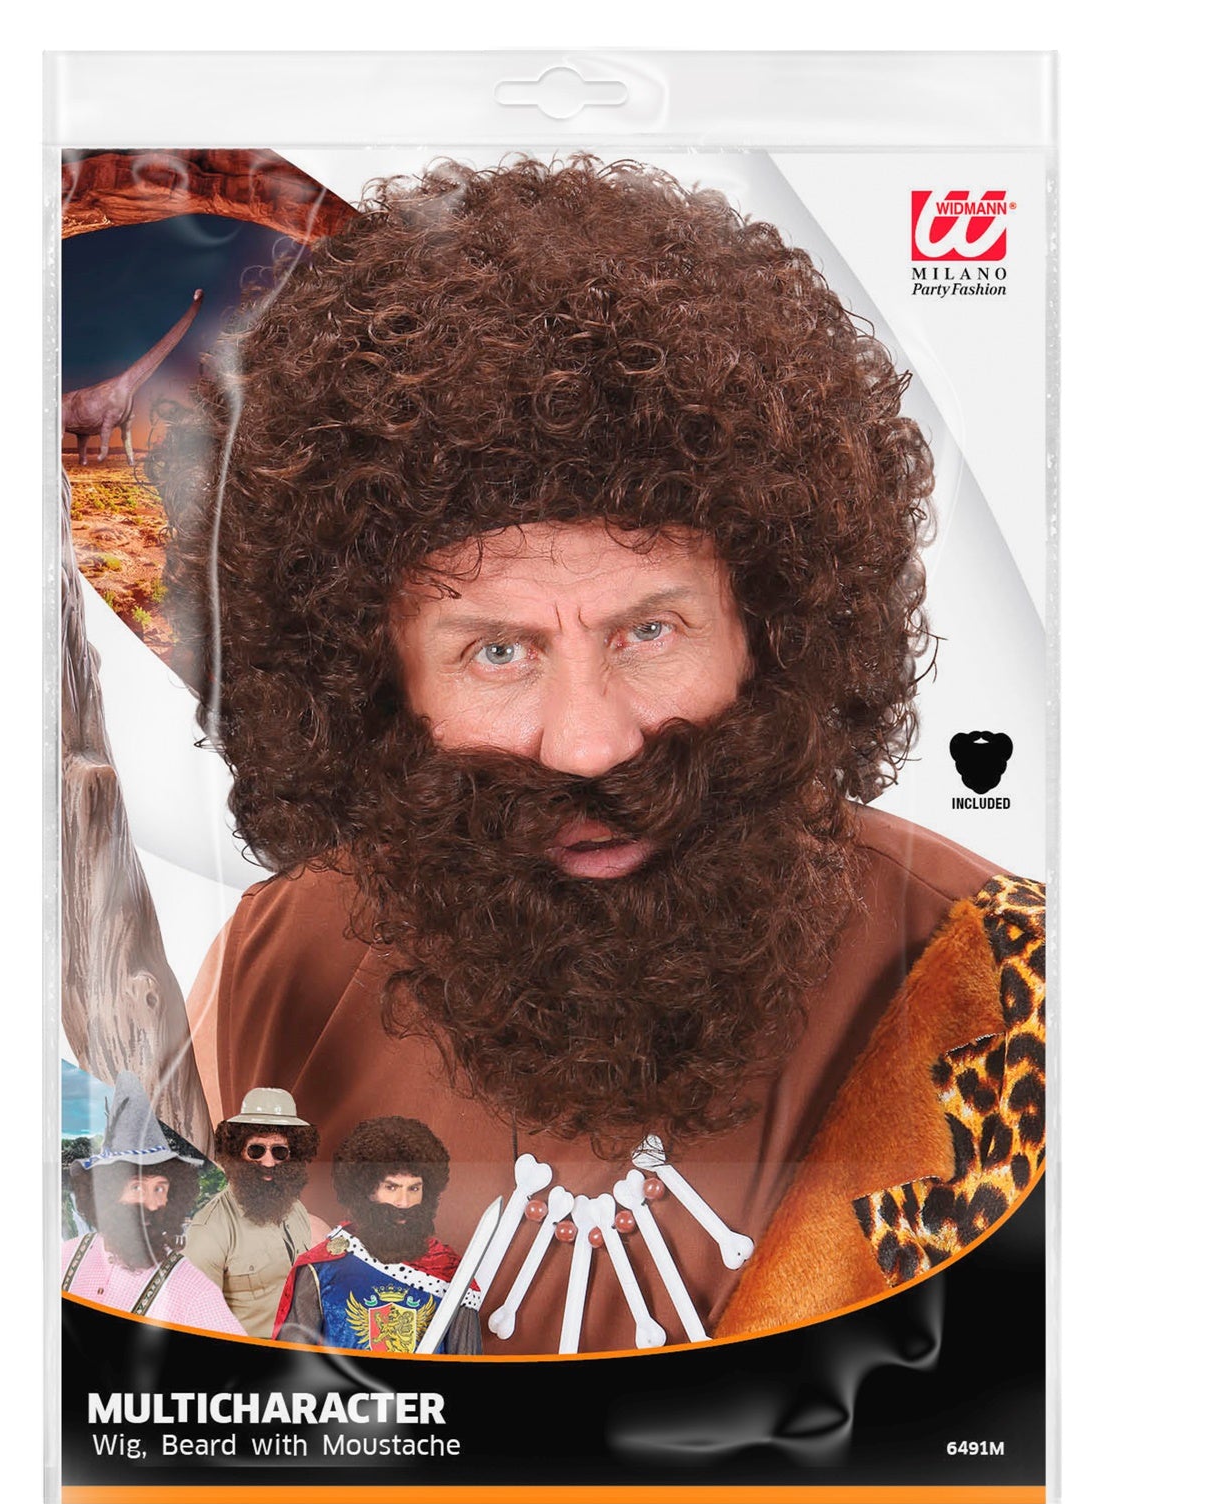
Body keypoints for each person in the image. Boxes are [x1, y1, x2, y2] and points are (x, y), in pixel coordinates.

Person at [159, 156, 1046, 1355]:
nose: (589, 743)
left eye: (649, 631)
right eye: (497, 652)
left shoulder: (995, 984)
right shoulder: (279, 967)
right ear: (375, 680)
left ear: (771, 630)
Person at [272, 1117, 481, 1355]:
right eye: (391, 1188)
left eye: (414, 1188)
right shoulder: (322, 1270)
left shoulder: (451, 1273)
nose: (404, 1202)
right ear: (366, 1191)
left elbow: (467, 1361)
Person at [61, 1070, 243, 1335]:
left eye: (160, 1188)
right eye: (136, 1187)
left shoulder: (193, 1292)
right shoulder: (64, 1258)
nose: (151, 1203)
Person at [181, 1087, 329, 1338]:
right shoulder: (209, 1230)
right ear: (237, 1152)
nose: (268, 1162)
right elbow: (194, 1323)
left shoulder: (293, 1209)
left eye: (279, 1152)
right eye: (256, 1151)